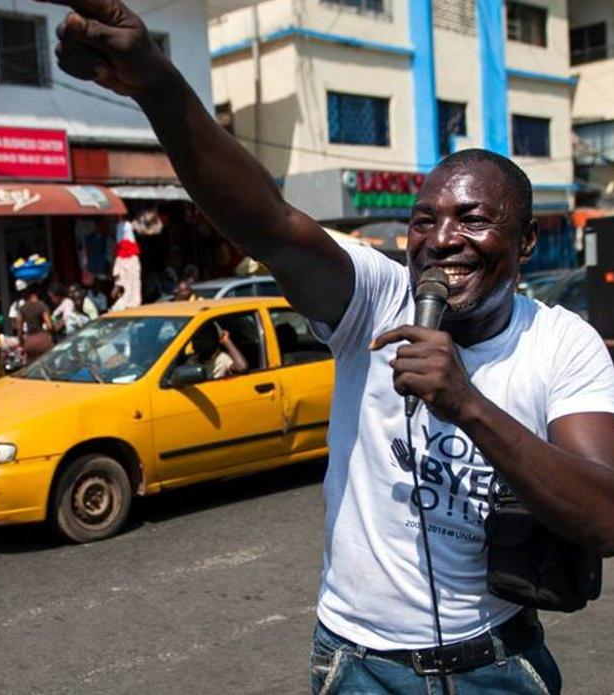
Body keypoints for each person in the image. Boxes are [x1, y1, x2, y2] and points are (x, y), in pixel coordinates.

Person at [49, 2, 614, 692]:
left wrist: (467, 404)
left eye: (472, 219)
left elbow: (605, 516)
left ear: (525, 243)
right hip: (357, 667)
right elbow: (271, 223)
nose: (442, 239)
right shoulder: (375, 296)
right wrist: (156, 84)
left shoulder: (563, 344)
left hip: (493, 663)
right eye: (424, 220)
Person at [183, 324, 248, 379]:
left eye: (201, 339)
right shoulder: (192, 359)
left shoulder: (222, 358)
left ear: (213, 339)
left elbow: (242, 367)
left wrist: (226, 341)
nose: (195, 343)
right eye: (195, 339)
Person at [15, 285, 53, 361]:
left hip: (30, 342)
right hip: (42, 340)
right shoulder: (42, 305)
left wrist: (21, 343)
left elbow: (19, 329)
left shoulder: (22, 308)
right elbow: (49, 326)